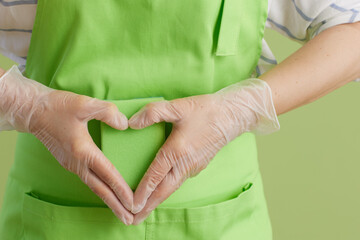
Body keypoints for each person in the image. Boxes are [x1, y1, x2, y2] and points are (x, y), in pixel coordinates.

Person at [0, 0, 359, 239]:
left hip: (223, 222)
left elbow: (353, 30)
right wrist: (25, 104)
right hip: (50, 222)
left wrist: (241, 108)